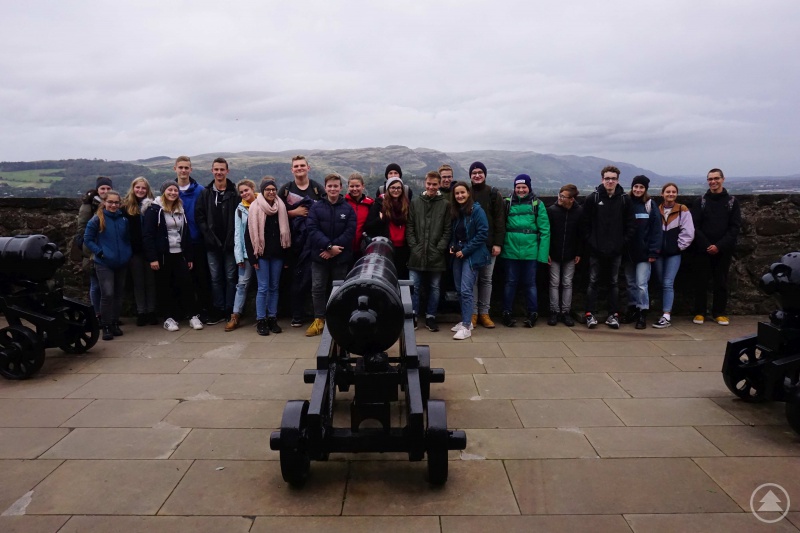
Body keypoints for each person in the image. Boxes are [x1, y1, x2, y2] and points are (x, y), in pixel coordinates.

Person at [581, 165, 636, 329]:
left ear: (617, 180)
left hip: (616, 250)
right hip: (596, 249)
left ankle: (613, 315)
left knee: (614, 283)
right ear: (602, 179)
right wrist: (592, 243)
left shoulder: (625, 199)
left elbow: (630, 225)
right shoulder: (593, 198)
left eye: (613, 178)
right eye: (607, 178)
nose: (610, 181)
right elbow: (585, 225)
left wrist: (621, 243)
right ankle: (590, 314)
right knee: (593, 282)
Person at [143, 181, 203, 332]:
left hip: (179, 253)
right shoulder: (154, 210)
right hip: (163, 255)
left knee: (187, 285)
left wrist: (189, 257)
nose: (173, 193)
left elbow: (185, 234)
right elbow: (148, 235)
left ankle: (192, 315)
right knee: (165, 287)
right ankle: (169, 318)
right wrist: (152, 258)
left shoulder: (180, 209)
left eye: (175, 190)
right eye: (170, 190)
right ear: (163, 191)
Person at [305, 174, 356, 336]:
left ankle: (338, 320)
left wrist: (334, 250)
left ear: (341, 188)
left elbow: (350, 232)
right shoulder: (316, 207)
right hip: (319, 256)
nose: (332, 189)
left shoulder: (348, 209)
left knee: (339, 289)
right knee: (318, 288)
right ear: (325, 187)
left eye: (336, 186)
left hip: (340, 257)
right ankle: (319, 319)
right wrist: (328, 247)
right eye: (330, 186)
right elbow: (312, 229)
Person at [690, 168, 741, 326]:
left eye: (716, 178)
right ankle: (699, 312)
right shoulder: (701, 201)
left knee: (721, 281)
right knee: (701, 281)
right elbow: (694, 226)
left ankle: (719, 312)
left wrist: (719, 246)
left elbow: (734, 227)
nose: (713, 181)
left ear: (723, 179)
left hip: (723, 249)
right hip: (702, 249)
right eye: (710, 179)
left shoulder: (732, 202)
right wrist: (707, 245)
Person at [278, 155, 324, 327]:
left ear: (308, 168)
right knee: (295, 281)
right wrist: (293, 213)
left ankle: (316, 315)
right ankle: (296, 315)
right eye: (296, 166)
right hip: (293, 244)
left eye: (302, 165)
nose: (299, 168)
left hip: (313, 242)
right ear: (292, 169)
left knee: (315, 280)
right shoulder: (285, 189)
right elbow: (275, 212)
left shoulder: (317, 189)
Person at [500, 174, 550, 328]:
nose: (521, 190)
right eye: (518, 187)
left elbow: (545, 230)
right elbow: (500, 225)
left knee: (530, 284)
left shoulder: (537, 204)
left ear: (529, 187)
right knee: (510, 283)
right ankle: (506, 312)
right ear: (514, 188)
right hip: (510, 250)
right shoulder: (506, 203)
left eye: (524, 187)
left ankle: (533, 312)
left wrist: (542, 255)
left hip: (531, 251)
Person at [195, 157, 241, 325]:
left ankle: (230, 309)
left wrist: (232, 238)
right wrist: (208, 236)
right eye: (216, 169)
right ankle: (218, 309)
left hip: (230, 243)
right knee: (215, 278)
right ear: (212, 171)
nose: (219, 172)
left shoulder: (234, 193)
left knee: (230, 277)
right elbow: (199, 217)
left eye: (222, 169)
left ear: (227, 171)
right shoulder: (206, 193)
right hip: (211, 244)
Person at [83, 190, 132, 341]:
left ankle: (114, 322)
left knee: (118, 294)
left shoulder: (123, 220)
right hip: (104, 262)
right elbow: (88, 239)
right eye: (110, 202)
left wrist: (127, 253)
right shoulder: (97, 219)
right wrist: (100, 252)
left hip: (121, 261)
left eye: (116, 203)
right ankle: (106, 325)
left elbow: (127, 239)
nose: (113, 205)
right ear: (104, 202)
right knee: (107, 294)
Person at [245, 177, 291, 336]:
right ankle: (261, 320)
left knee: (274, 287)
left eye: (273, 189)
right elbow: (248, 235)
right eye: (267, 190)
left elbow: (286, 234)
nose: (271, 192)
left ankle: (272, 318)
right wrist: (253, 258)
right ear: (263, 191)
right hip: (261, 255)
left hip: (278, 254)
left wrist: (286, 257)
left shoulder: (281, 207)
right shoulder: (254, 208)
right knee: (263, 287)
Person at [407, 170, 452, 332]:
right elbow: (410, 227)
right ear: (425, 183)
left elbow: (447, 230)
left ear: (439, 184)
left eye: (434, 184)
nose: (431, 187)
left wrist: (439, 248)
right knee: (415, 287)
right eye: (429, 184)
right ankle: (413, 316)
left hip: (436, 254)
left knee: (435, 288)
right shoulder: (415, 203)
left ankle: (431, 316)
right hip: (417, 254)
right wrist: (414, 246)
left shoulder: (445, 204)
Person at [173, 156, 213, 324]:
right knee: (179, 281)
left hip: (197, 241)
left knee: (202, 279)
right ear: (175, 168)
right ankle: (183, 312)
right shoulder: (171, 191)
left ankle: (203, 311)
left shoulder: (201, 191)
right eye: (180, 167)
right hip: (176, 244)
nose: (183, 170)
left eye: (186, 167)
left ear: (191, 169)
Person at [449, 182, 491, 340]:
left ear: (468, 193)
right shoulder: (457, 211)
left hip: (471, 255)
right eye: (457, 194)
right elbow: (455, 234)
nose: (460, 196)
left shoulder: (477, 210)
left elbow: (482, 233)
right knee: (460, 290)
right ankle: (466, 320)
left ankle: (466, 326)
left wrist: (465, 251)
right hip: (458, 253)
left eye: (462, 193)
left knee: (467, 290)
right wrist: (452, 246)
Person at [468, 161, 505, 328]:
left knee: (486, 279)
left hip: (489, 245)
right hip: (470, 246)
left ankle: (484, 313)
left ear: (485, 174)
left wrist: (498, 243)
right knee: (472, 280)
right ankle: (473, 313)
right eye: (474, 172)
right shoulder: (465, 192)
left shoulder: (493, 193)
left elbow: (499, 220)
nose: (477, 175)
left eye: (480, 172)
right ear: (470, 175)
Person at [621, 175, 662, 329]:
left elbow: (656, 231)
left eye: (641, 187)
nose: (638, 190)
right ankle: (632, 308)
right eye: (636, 187)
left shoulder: (650, 205)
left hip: (644, 253)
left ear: (645, 189)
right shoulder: (626, 203)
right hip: (628, 252)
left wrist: (653, 252)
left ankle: (642, 312)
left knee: (641, 284)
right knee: (630, 284)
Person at [652, 183, 695, 328]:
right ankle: (663, 311)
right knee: (660, 281)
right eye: (668, 191)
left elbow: (688, 231)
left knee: (668, 282)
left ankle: (666, 315)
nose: (670, 194)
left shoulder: (682, 210)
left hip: (673, 254)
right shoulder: (656, 210)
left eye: (673, 192)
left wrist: (678, 247)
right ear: (662, 193)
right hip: (658, 253)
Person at [74, 176, 114, 318]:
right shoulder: (88, 205)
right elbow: (82, 228)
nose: (105, 191)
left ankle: (108, 315)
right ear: (97, 190)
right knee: (96, 285)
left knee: (108, 287)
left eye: (108, 188)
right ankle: (97, 315)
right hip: (93, 250)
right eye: (102, 188)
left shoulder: (113, 203)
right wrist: (89, 249)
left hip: (108, 248)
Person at [121, 177, 158, 326]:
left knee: (151, 282)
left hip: (150, 250)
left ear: (147, 190)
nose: (140, 190)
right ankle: (141, 312)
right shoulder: (126, 207)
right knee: (138, 283)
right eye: (138, 187)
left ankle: (151, 311)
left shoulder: (153, 206)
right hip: (134, 251)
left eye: (143, 188)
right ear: (133, 188)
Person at [547, 184, 582, 326]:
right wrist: (547, 252)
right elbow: (547, 233)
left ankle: (566, 312)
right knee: (554, 283)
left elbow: (581, 234)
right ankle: (554, 311)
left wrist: (579, 252)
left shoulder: (579, 212)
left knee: (567, 283)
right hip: (554, 253)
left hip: (571, 253)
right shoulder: (552, 211)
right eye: (559, 195)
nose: (560, 198)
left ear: (572, 199)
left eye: (563, 197)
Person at [363, 175, 411, 280]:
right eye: (392, 187)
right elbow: (368, 227)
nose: (396, 190)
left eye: (398, 188)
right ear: (388, 189)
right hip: (385, 247)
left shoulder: (407, 205)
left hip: (403, 248)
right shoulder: (379, 204)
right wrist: (380, 220)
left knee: (401, 276)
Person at [227, 179, 257, 332]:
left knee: (264, 286)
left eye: (247, 190)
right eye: (242, 192)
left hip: (262, 253)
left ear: (253, 189)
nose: (245, 193)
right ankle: (235, 316)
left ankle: (262, 317)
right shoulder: (240, 209)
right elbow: (237, 234)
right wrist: (238, 256)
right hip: (246, 254)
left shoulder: (263, 204)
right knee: (242, 285)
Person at [345, 172, 374, 265]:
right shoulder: (343, 202)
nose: (354, 189)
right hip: (344, 249)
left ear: (363, 186)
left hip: (363, 249)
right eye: (352, 186)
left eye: (357, 186)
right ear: (348, 187)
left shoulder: (370, 204)